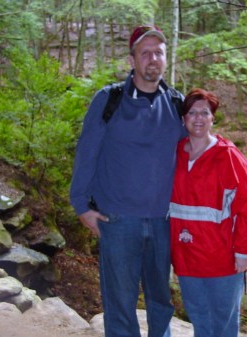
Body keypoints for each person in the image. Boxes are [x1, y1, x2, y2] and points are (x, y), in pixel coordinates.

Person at [70, 25, 186, 337]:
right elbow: (87, 153)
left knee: (161, 300)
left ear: (166, 58)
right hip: (119, 220)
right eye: (145, 52)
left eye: (158, 53)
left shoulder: (177, 104)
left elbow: (193, 159)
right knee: (120, 303)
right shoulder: (109, 101)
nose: (153, 59)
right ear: (132, 59)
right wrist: (81, 205)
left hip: (164, 220)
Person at [169, 88, 247, 337]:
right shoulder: (174, 154)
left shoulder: (228, 156)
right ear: (183, 119)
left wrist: (244, 249)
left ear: (213, 118)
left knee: (223, 325)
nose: (198, 118)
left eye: (205, 113)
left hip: (222, 257)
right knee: (199, 319)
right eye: (192, 113)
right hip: (186, 256)